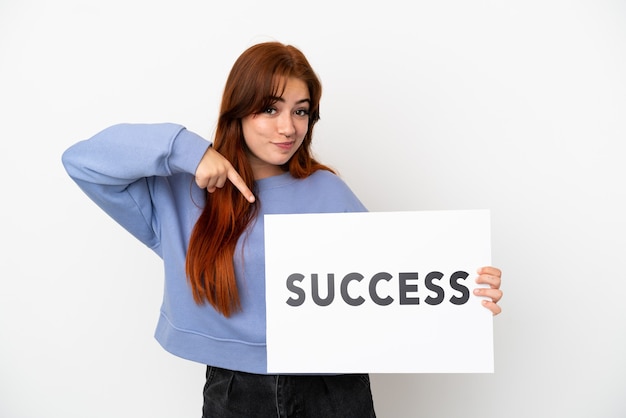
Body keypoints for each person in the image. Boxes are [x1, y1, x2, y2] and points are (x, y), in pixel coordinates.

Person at [62, 41, 503, 417]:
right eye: (269, 109)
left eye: (301, 111)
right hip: (235, 392)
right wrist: (187, 149)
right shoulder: (179, 194)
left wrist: (465, 286)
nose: (288, 127)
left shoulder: (327, 191)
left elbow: (391, 283)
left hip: (334, 389)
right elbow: (82, 161)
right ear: (238, 111)